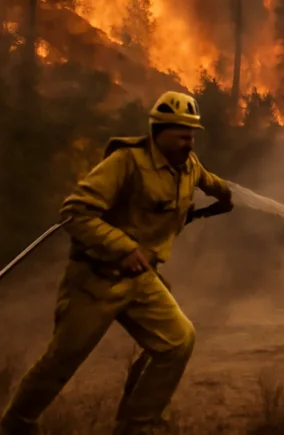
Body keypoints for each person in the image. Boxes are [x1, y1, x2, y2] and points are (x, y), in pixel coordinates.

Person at [1, 91, 232, 435]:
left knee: (178, 341)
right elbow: (75, 211)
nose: (190, 141)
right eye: (183, 134)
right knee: (63, 360)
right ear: (159, 131)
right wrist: (122, 247)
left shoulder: (189, 166)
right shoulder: (126, 162)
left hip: (143, 279)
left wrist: (224, 193)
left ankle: (138, 424)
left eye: (193, 133)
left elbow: (208, 181)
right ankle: (15, 424)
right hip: (97, 278)